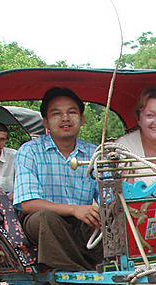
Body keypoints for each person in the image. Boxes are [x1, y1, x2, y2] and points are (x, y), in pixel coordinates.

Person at [13, 87, 102, 273]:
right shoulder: (29, 151)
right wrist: (74, 210)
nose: (65, 118)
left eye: (72, 112)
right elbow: (28, 204)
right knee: (47, 218)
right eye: (56, 114)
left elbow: (107, 199)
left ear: (82, 119)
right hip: (42, 222)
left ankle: (109, 274)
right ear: (45, 121)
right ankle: (88, 277)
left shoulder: (95, 154)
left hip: (81, 222)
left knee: (108, 223)